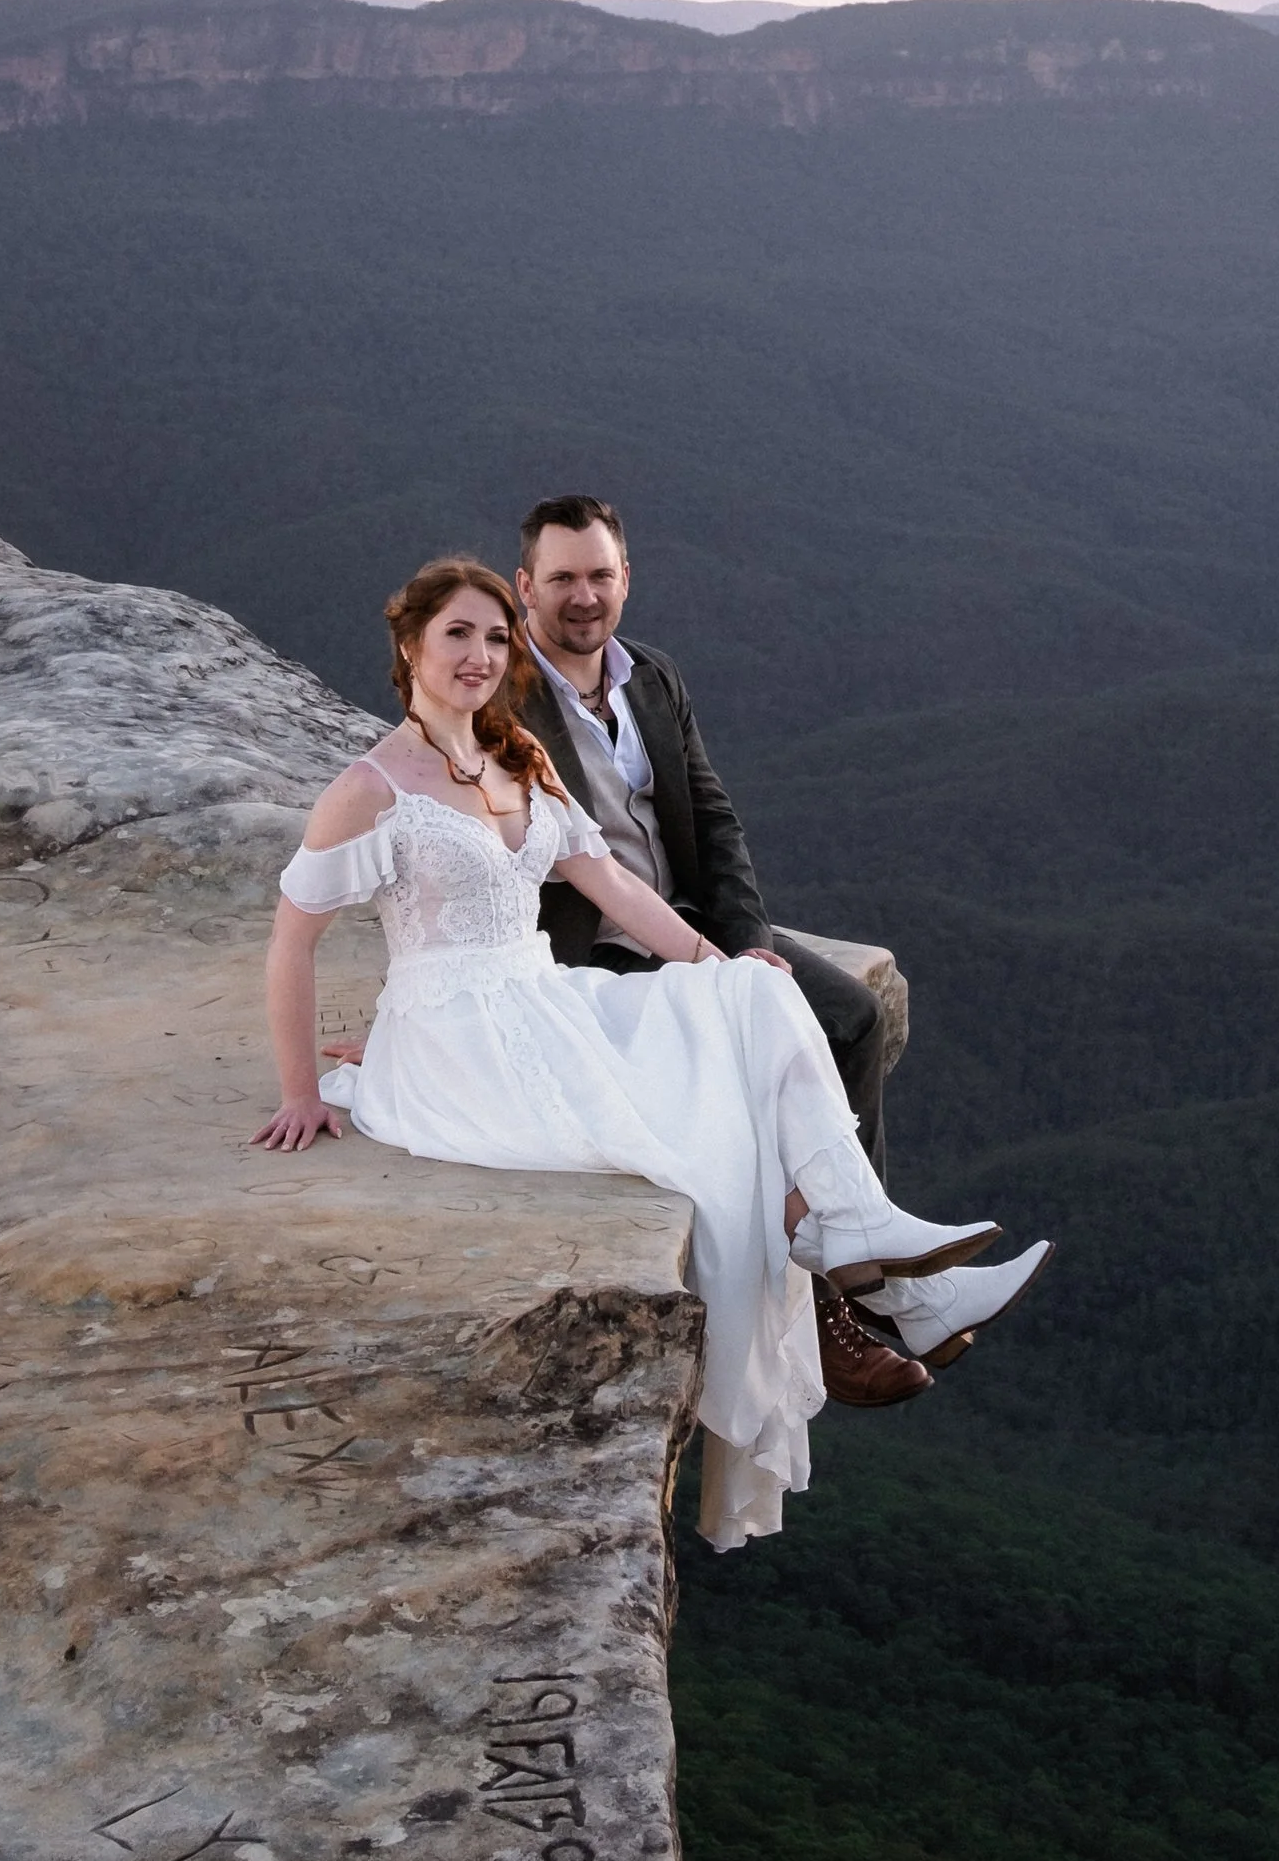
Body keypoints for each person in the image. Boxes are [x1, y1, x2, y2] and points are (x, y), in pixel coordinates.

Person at [255, 556, 1046, 1550]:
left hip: (545, 996)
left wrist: (722, 974)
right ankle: (893, 1281)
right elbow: (292, 940)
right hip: (456, 1040)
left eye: (496, 637)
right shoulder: (370, 789)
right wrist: (300, 1091)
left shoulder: (516, 758)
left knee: (757, 995)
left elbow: (618, 890)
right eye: (457, 633)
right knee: (696, 1134)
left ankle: (872, 1244)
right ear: (410, 644)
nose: (480, 655)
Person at [512, 493, 1048, 1390]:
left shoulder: (652, 676)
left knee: (852, 1018)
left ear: (627, 578)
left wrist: (749, 941)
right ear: (525, 586)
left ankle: (875, 1275)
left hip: (694, 926)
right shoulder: (502, 694)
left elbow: (714, 818)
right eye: (562, 578)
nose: (584, 596)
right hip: (597, 955)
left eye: (600, 575)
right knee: (745, 1072)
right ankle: (851, 1314)